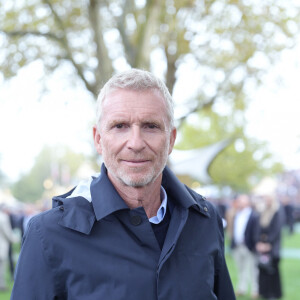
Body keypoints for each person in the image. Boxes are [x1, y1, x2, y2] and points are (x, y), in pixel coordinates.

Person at [11, 69, 235, 299]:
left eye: (150, 126)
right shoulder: (49, 234)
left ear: (171, 140)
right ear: (99, 139)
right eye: (120, 126)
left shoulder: (205, 221)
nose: (136, 143)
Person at [230, 194, 260, 299]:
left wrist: (254, 244)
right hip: (237, 246)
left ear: (247, 202)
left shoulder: (254, 215)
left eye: (241, 201)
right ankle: (241, 288)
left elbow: (256, 232)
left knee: (253, 269)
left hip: (249, 246)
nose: (239, 203)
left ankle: (255, 290)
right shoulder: (236, 214)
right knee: (240, 268)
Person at [256, 194, 283, 300]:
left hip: (272, 247)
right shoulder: (262, 211)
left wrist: (268, 243)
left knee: (272, 270)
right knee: (263, 270)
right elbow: (258, 228)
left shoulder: (277, 211)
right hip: (262, 246)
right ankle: (264, 292)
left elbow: (276, 230)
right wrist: (259, 242)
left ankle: (273, 293)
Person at [0, 206, 18, 291]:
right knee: (2, 267)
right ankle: (2, 285)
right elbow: (7, 232)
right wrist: (15, 239)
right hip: (2, 246)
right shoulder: (3, 217)